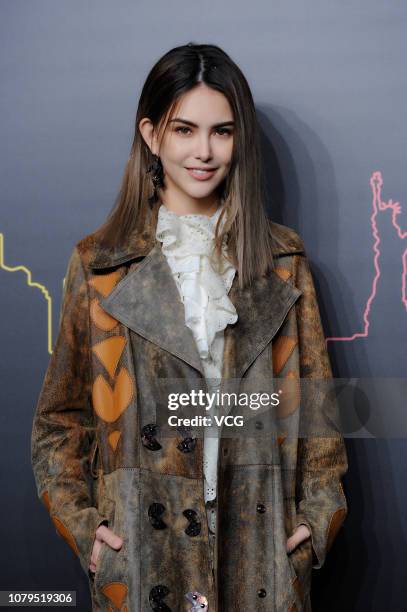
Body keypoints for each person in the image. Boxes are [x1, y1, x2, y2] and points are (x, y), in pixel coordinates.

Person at [31, 42, 348, 611]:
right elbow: (59, 422)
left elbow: (321, 412)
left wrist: (315, 522)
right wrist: (86, 530)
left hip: (260, 561)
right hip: (147, 561)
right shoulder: (99, 267)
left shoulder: (284, 263)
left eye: (222, 132)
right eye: (185, 130)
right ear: (152, 135)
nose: (203, 151)